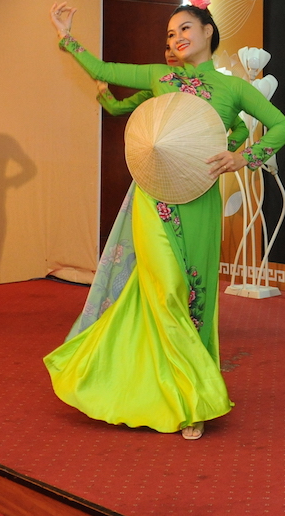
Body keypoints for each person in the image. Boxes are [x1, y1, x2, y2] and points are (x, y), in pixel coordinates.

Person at [43, 0, 285, 440]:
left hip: (200, 199)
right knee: (166, 287)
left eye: (185, 29)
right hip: (153, 198)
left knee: (193, 294)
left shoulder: (232, 88)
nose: (176, 38)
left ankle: (185, 395)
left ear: (208, 31)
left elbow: (283, 127)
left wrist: (242, 157)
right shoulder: (158, 76)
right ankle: (194, 394)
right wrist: (67, 37)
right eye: (170, 33)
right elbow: (102, 69)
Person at [64, 42, 250, 340]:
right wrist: (103, 90)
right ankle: (154, 335)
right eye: (167, 44)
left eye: (179, 41)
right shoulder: (158, 86)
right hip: (157, 184)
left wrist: (214, 151)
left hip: (195, 184)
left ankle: (181, 336)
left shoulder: (215, 93)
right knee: (158, 269)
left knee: (189, 271)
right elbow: (116, 107)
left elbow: (240, 128)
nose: (171, 51)